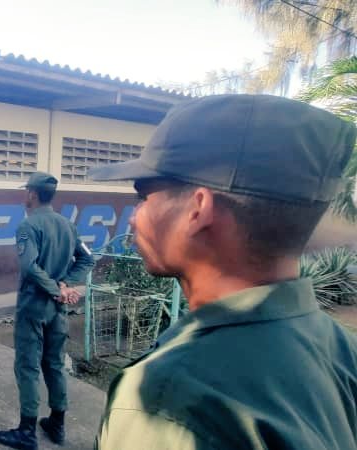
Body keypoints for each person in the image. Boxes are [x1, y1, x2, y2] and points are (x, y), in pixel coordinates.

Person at [90, 94, 357, 449]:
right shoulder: (339, 347)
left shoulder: (169, 398)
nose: (135, 216)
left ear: (197, 209)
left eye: (143, 198)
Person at [0, 172, 94, 450]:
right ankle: (57, 424)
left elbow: (30, 267)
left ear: (33, 194)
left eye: (27, 191)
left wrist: (55, 288)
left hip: (34, 307)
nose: (25, 195)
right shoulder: (67, 225)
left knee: (27, 366)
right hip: (57, 310)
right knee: (54, 364)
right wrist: (65, 284)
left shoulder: (28, 226)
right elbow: (87, 259)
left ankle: (26, 432)